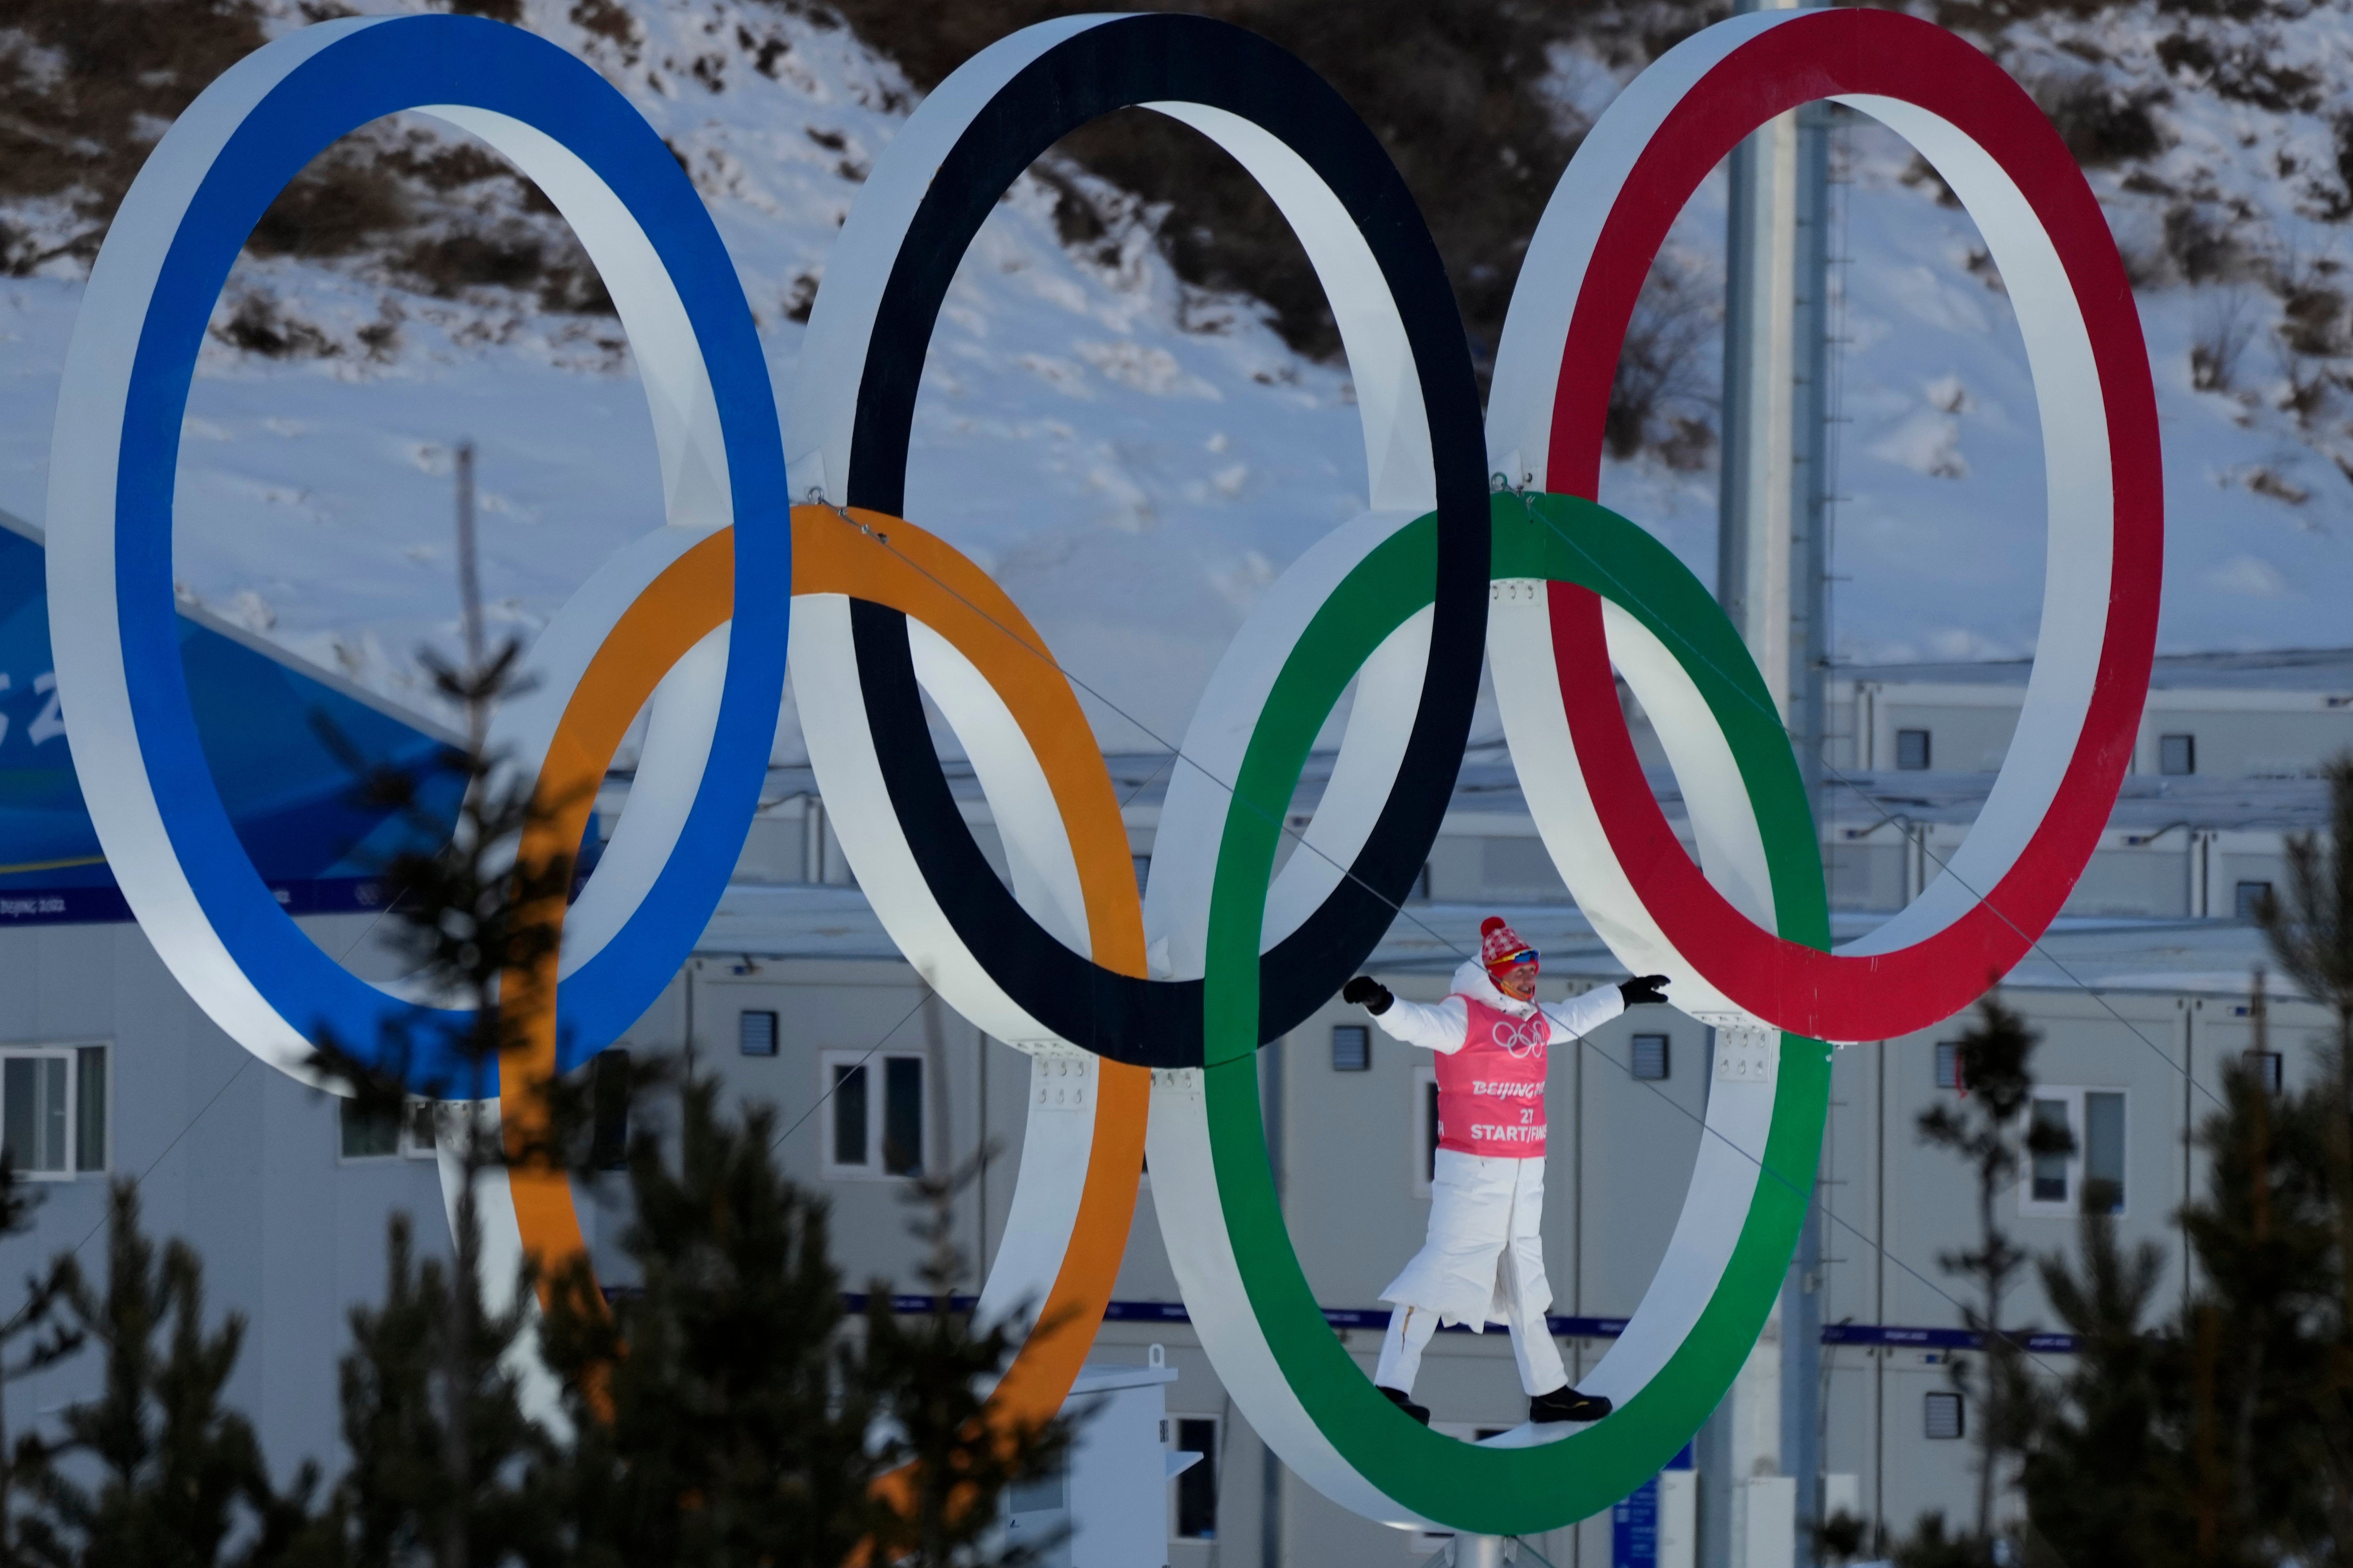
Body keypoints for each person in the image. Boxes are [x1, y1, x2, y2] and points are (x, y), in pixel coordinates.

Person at [1340, 916, 1670, 1427]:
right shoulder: (1463, 1017)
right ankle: (1390, 1386)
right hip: (1472, 1171)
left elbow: (1576, 1015)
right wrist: (1380, 1002)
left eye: (1533, 969)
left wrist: (1624, 995)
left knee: (1524, 1280)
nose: (1529, 979)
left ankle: (1549, 1392)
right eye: (1519, 971)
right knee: (1441, 1271)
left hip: (1523, 1173)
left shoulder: (1534, 1021)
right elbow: (1417, 1025)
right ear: (1494, 973)